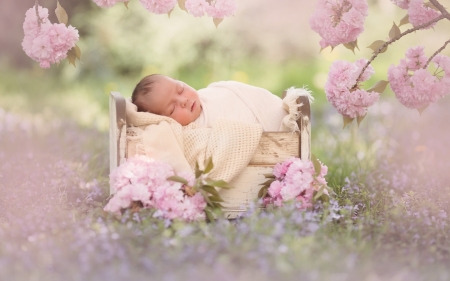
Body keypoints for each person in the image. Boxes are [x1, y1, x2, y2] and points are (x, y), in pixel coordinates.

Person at [131, 74, 289, 131]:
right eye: (173, 109)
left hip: (279, 118)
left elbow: (245, 95)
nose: (184, 100)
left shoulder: (213, 93)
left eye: (180, 89)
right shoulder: (192, 134)